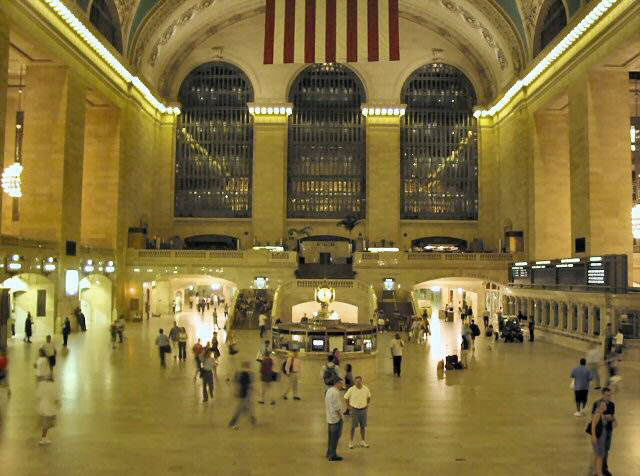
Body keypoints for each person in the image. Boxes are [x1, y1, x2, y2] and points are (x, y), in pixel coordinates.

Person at [591, 387, 615, 476]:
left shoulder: (612, 404)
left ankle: (603, 469)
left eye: (610, 395)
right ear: (602, 395)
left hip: (608, 431)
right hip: (600, 433)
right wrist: (594, 435)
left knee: (605, 451)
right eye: (607, 395)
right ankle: (597, 471)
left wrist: (612, 419)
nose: (608, 397)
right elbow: (593, 420)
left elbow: (612, 417)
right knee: (599, 453)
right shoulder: (597, 404)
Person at [344, 376, 371, 449]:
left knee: (363, 426)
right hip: (354, 410)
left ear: (362, 381)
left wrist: (367, 404)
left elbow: (369, 397)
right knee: (352, 426)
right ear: (355, 382)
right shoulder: (351, 389)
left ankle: (363, 441)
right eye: (356, 381)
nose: (358, 382)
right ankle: (351, 442)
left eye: (359, 381)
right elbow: (346, 397)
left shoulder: (366, 389)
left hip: (363, 410)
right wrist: (348, 406)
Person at [228, 361, 257, 429]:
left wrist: (236, 391)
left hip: (243, 394)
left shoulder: (239, 373)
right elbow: (250, 384)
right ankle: (233, 422)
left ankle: (252, 419)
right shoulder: (249, 374)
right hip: (245, 394)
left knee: (247, 407)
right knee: (241, 408)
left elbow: (236, 383)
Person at [36, 374, 60, 445]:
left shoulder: (41, 385)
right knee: (47, 424)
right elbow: (55, 397)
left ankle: (44, 437)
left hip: (42, 407)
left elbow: (38, 395)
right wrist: (58, 403)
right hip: (49, 408)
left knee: (46, 423)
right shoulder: (52, 386)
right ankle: (43, 439)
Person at [325, 377, 344, 461]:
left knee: (330, 438)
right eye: (341, 383)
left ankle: (329, 452)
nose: (342, 385)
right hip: (335, 419)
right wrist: (341, 418)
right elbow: (337, 407)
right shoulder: (335, 393)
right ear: (337, 383)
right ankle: (333, 455)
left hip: (329, 418)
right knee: (335, 438)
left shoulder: (329, 390)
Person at [590, 400, 608, 476]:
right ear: (599, 407)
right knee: (599, 456)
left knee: (599, 455)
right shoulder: (597, 415)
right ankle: (599, 472)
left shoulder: (602, 414)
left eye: (605, 406)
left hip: (601, 438)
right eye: (603, 406)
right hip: (598, 439)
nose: (605, 407)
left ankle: (596, 471)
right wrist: (594, 437)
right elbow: (593, 426)